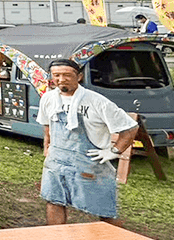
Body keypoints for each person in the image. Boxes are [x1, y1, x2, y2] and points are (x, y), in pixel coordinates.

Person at [37, 58, 138, 225]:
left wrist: (114, 151)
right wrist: (47, 146)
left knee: (104, 208)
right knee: (53, 200)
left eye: (67, 75)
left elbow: (130, 128)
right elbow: (47, 124)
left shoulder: (97, 101)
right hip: (56, 161)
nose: (61, 79)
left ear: (79, 76)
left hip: (89, 162)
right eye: (57, 75)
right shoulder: (48, 99)